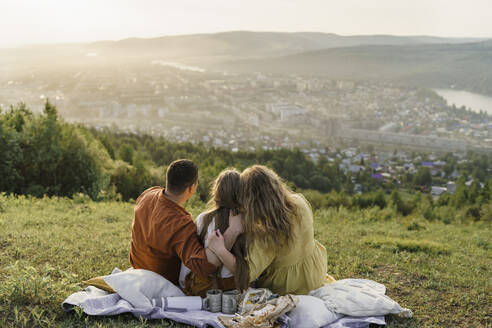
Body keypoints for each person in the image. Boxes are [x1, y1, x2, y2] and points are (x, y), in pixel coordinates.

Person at [208, 165, 328, 295]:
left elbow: (246, 274)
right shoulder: (300, 203)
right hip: (316, 273)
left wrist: (221, 249)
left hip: (289, 288)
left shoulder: (266, 233)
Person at [129, 159, 242, 287]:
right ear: (191, 188)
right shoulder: (180, 222)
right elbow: (203, 266)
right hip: (161, 282)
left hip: (138, 269)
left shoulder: (148, 194)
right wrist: (232, 232)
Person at [179, 169, 249, 297]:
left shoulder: (203, 219)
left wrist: (183, 283)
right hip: (233, 287)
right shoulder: (246, 221)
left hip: (204, 287)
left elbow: (192, 256)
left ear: (216, 192)